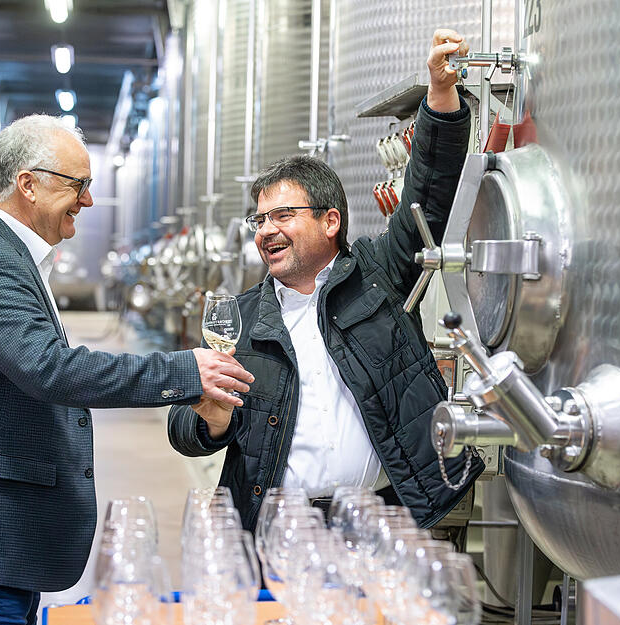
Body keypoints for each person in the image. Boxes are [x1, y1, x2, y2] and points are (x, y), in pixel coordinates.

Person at [0, 115, 254, 624]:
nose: (88, 201)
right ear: (29, 185)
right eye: (77, 185)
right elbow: (51, 370)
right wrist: (185, 373)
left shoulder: (12, 256)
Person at [168, 29, 484, 532]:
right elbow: (183, 427)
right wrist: (212, 419)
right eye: (260, 220)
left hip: (380, 518)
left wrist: (441, 98)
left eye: (283, 215)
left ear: (330, 221)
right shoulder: (241, 320)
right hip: (282, 529)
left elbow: (429, 193)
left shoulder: (376, 276)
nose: (266, 229)